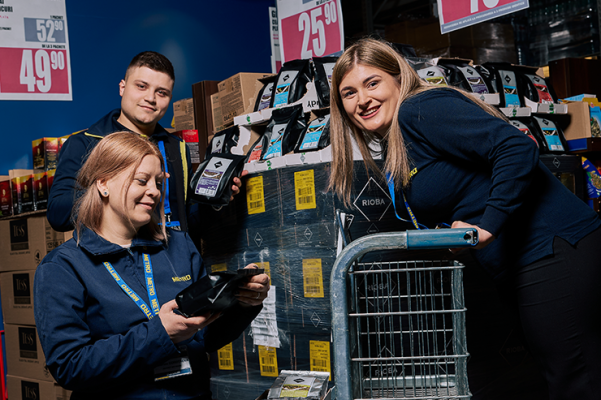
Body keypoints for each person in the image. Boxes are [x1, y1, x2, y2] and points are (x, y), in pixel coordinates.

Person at [328, 38, 601, 400]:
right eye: (349, 93)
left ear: (398, 79)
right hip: (528, 263)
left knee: (574, 381)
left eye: (372, 83)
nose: (362, 100)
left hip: (553, 250)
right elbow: (464, 186)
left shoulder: (419, 110)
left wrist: (487, 224)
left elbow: (516, 147)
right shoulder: (400, 141)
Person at [34, 132, 270, 400]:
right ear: (103, 184)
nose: (155, 192)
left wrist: (243, 303)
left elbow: (204, 337)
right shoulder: (63, 267)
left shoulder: (179, 245)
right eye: (142, 181)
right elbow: (69, 367)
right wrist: (160, 333)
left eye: (158, 182)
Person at [47, 51, 242, 238]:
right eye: (141, 86)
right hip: (117, 265)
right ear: (122, 87)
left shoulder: (177, 146)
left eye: (162, 92)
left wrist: (216, 199)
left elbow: (187, 217)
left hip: (174, 265)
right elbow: (58, 215)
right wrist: (113, 186)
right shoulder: (85, 142)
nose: (150, 98)